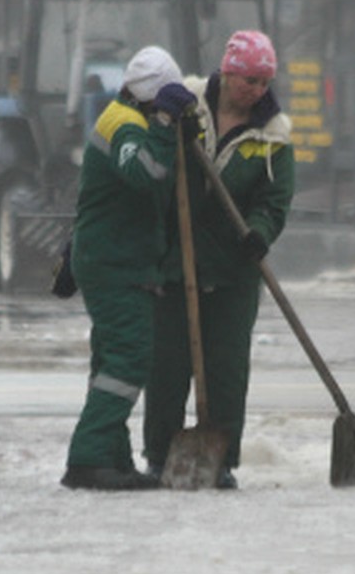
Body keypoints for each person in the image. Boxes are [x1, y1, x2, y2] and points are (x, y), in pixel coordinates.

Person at [143, 30, 295, 489]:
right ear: (227, 72)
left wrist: (259, 233)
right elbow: (154, 163)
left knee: (227, 369)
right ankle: (157, 455)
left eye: (264, 81)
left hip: (233, 271)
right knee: (167, 368)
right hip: (176, 260)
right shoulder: (187, 105)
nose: (257, 90)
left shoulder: (272, 136)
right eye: (249, 79)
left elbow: (275, 200)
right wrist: (172, 130)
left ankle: (222, 459)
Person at [61, 45, 195, 491]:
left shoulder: (130, 119)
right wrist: (162, 126)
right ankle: (88, 457)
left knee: (110, 360)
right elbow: (147, 172)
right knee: (129, 358)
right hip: (114, 264)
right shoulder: (125, 124)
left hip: (117, 258)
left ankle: (112, 459)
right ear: (156, 98)